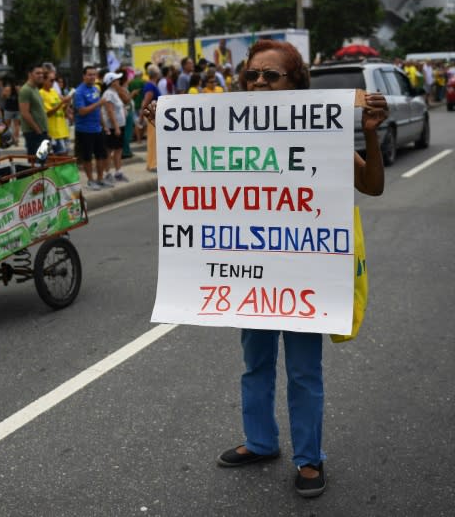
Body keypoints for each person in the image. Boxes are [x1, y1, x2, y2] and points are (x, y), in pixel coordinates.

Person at [142, 39, 388, 499]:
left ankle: (309, 458)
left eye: (271, 75)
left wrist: (370, 134)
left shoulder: (319, 133)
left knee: (302, 371)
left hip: (302, 274)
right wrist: (166, 124)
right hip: (250, 274)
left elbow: (371, 186)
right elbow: (186, 173)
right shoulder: (225, 129)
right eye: (252, 74)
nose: (258, 82)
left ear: (296, 83)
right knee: (254, 364)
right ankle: (260, 442)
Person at [74, 66, 111, 190]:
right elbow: (82, 111)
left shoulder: (95, 89)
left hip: (97, 128)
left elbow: (98, 110)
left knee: (101, 155)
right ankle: (90, 180)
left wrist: (104, 126)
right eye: (89, 75)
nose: (92, 77)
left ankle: (100, 179)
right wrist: (98, 103)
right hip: (84, 130)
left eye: (94, 75)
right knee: (87, 157)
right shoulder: (79, 92)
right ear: (84, 76)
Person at [100, 71, 128, 183]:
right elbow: (110, 111)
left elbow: (126, 100)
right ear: (111, 82)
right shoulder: (108, 94)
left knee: (118, 149)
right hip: (112, 127)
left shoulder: (115, 92)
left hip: (120, 125)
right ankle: (107, 173)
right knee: (109, 150)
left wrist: (120, 89)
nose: (119, 81)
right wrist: (116, 127)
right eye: (116, 80)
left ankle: (118, 172)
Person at [19, 64, 49, 156]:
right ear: (30, 74)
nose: (41, 75)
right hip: (33, 133)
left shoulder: (35, 88)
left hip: (41, 131)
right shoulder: (25, 90)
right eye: (37, 73)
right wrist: (38, 131)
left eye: (42, 73)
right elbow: (25, 113)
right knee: (35, 163)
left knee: (43, 161)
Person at [39, 72, 70, 155]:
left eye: (54, 80)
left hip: (62, 130)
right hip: (53, 132)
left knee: (65, 156)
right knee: (58, 157)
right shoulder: (41, 93)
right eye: (51, 80)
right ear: (44, 80)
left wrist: (67, 103)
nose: (53, 83)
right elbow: (48, 113)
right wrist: (61, 103)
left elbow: (62, 110)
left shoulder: (54, 91)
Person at [139, 64, 161, 172]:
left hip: (153, 115)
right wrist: (142, 115)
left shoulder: (151, 85)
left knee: (153, 140)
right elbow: (146, 102)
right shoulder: (150, 86)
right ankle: (152, 164)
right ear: (156, 74)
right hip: (152, 115)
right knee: (153, 141)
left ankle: (151, 163)